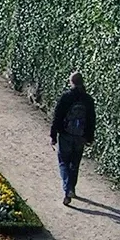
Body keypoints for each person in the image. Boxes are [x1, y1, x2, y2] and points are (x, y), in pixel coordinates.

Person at [49, 70, 95, 205]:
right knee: (75, 164)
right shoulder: (88, 99)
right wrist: (89, 137)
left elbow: (57, 117)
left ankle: (67, 190)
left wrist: (53, 135)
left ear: (71, 82)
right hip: (80, 136)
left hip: (66, 135)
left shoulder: (66, 97)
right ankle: (72, 189)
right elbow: (92, 120)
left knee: (63, 162)